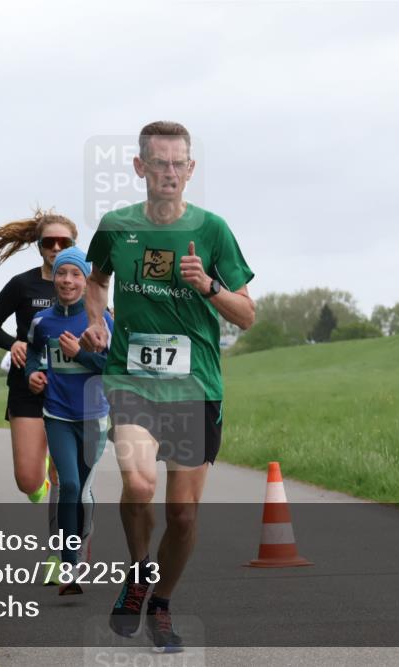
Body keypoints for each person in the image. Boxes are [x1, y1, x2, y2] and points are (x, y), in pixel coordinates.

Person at [81, 121, 255, 651]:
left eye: (179, 163)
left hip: (195, 385)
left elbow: (246, 315)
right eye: (159, 163)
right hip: (132, 378)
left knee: (182, 515)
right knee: (138, 484)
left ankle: (160, 601)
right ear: (140, 167)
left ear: (191, 169)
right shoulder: (115, 225)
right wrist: (95, 319)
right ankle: (138, 573)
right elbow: (96, 278)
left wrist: (208, 285)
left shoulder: (214, 230)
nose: (170, 173)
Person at [0, 208, 77, 584]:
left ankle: (61, 554)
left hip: (70, 391)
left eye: (63, 242)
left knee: (65, 476)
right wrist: (14, 343)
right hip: (26, 387)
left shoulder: (85, 283)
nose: (55, 248)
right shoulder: (23, 285)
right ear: (39, 247)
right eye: (48, 242)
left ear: (73, 245)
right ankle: (44, 490)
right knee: (28, 479)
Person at [26, 247, 113, 595]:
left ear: (87, 280)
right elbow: (34, 352)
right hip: (57, 414)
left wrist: (83, 354)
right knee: (69, 485)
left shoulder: (102, 321)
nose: (67, 280)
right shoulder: (42, 321)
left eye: (76, 274)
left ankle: (78, 550)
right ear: (55, 278)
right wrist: (33, 375)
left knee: (84, 488)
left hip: (94, 417)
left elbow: (114, 371)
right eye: (62, 273)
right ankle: (69, 563)